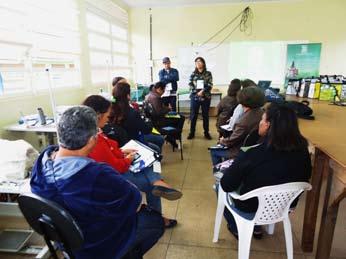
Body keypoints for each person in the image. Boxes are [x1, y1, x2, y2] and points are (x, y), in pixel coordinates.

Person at [30, 106, 164, 259]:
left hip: (66, 240)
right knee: (154, 221)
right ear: (91, 139)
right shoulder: (96, 174)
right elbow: (134, 199)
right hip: (97, 245)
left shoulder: (41, 163)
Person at [83, 95, 182, 228]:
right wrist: (128, 159)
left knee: (153, 157)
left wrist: (123, 152)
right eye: (107, 115)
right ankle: (158, 216)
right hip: (113, 176)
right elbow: (116, 166)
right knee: (152, 177)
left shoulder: (94, 131)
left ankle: (157, 180)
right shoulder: (93, 139)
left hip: (118, 162)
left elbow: (111, 149)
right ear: (98, 115)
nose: (108, 118)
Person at [219, 103, 312, 239]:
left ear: (268, 125)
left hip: (250, 207)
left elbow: (226, 185)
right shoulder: (303, 151)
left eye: (262, 120)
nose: (260, 124)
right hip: (285, 206)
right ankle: (257, 226)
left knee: (219, 186)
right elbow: (306, 175)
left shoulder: (252, 153)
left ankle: (236, 227)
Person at [210, 86, 265, 166]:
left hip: (241, 150)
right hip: (257, 147)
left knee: (214, 151)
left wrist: (222, 140)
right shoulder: (262, 113)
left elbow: (232, 140)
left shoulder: (244, 121)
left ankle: (220, 172)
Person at [110, 82, 164, 153]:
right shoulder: (131, 112)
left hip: (119, 145)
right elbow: (145, 129)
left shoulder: (110, 110)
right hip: (133, 143)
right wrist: (149, 124)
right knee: (157, 147)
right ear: (128, 96)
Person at [145, 81, 185, 148]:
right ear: (159, 89)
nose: (164, 92)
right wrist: (168, 109)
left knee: (178, 116)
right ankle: (173, 137)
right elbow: (159, 112)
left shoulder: (149, 95)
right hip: (159, 122)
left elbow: (159, 108)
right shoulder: (156, 97)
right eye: (163, 90)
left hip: (154, 120)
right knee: (180, 118)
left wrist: (166, 108)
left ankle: (171, 137)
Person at [187, 57, 213, 140]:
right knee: (193, 115)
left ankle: (206, 132)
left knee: (205, 115)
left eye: (200, 61)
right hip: (195, 97)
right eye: (196, 62)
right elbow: (190, 85)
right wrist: (197, 92)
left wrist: (203, 91)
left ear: (203, 63)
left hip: (206, 97)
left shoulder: (208, 73)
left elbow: (210, 84)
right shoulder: (193, 74)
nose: (198, 63)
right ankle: (192, 132)